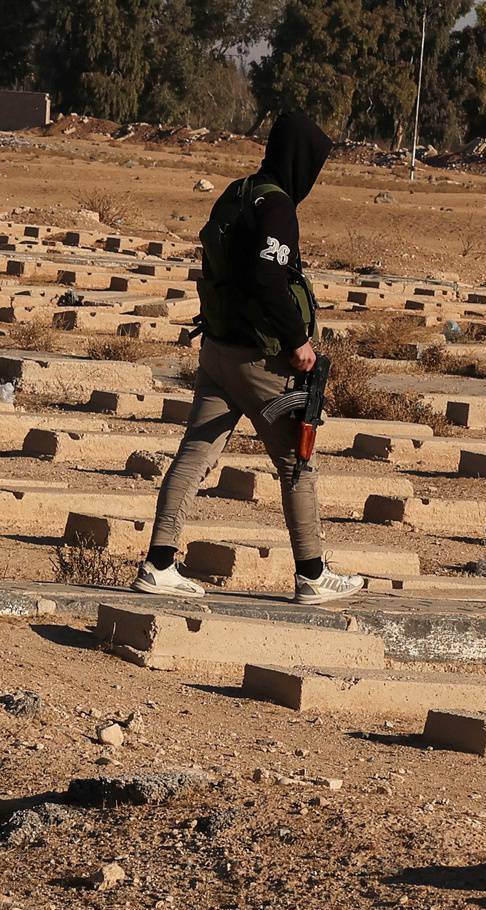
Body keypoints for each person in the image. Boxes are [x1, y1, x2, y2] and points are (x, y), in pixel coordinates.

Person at [134, 109, 363, 606]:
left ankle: (159, 564)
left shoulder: (237, 193)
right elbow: (267, 280)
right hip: (260, 361)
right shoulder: (277, 208)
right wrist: (296, 342)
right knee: (297, 461)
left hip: (218, 352)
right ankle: (313, 574)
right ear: (300, 160)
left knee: (195, 454)